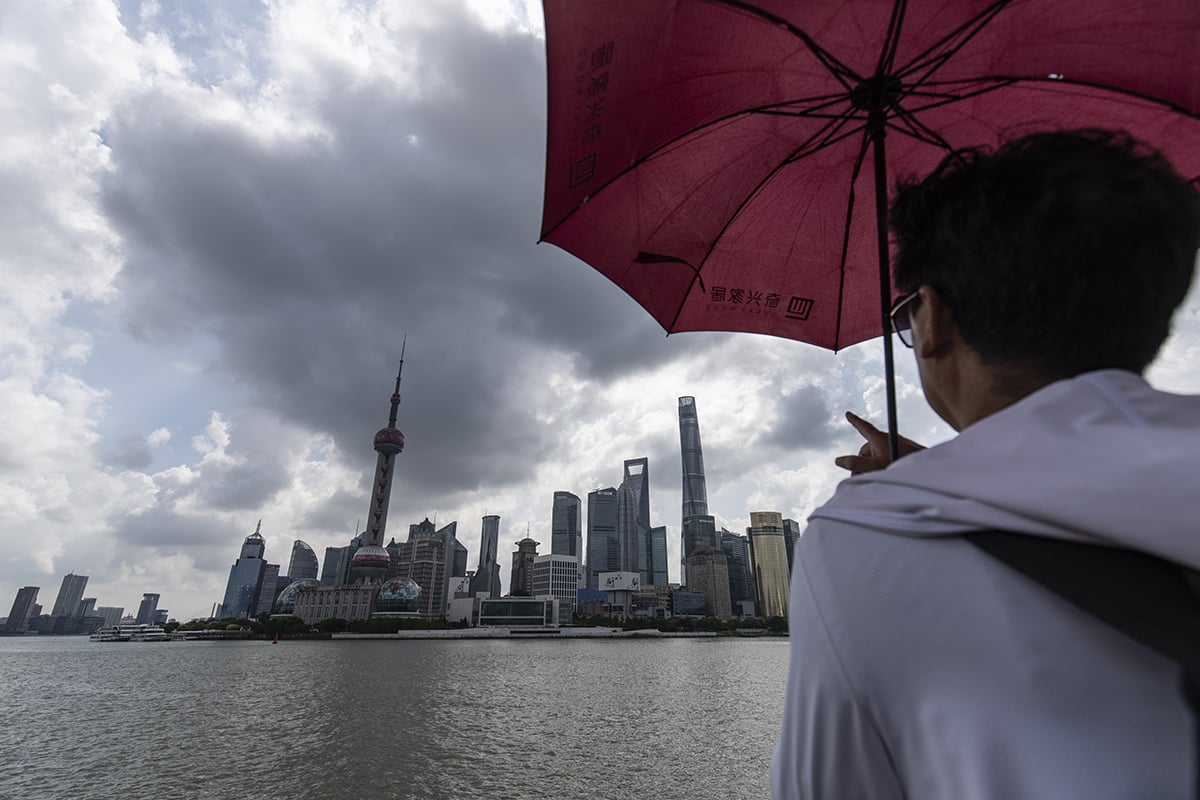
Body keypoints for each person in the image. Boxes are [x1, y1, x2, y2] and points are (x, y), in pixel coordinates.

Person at [770, 129, 1200, 799]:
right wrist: (940, 480)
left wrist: (914, 497)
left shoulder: (864, 535)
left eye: (905, 318)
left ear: (931, 314)